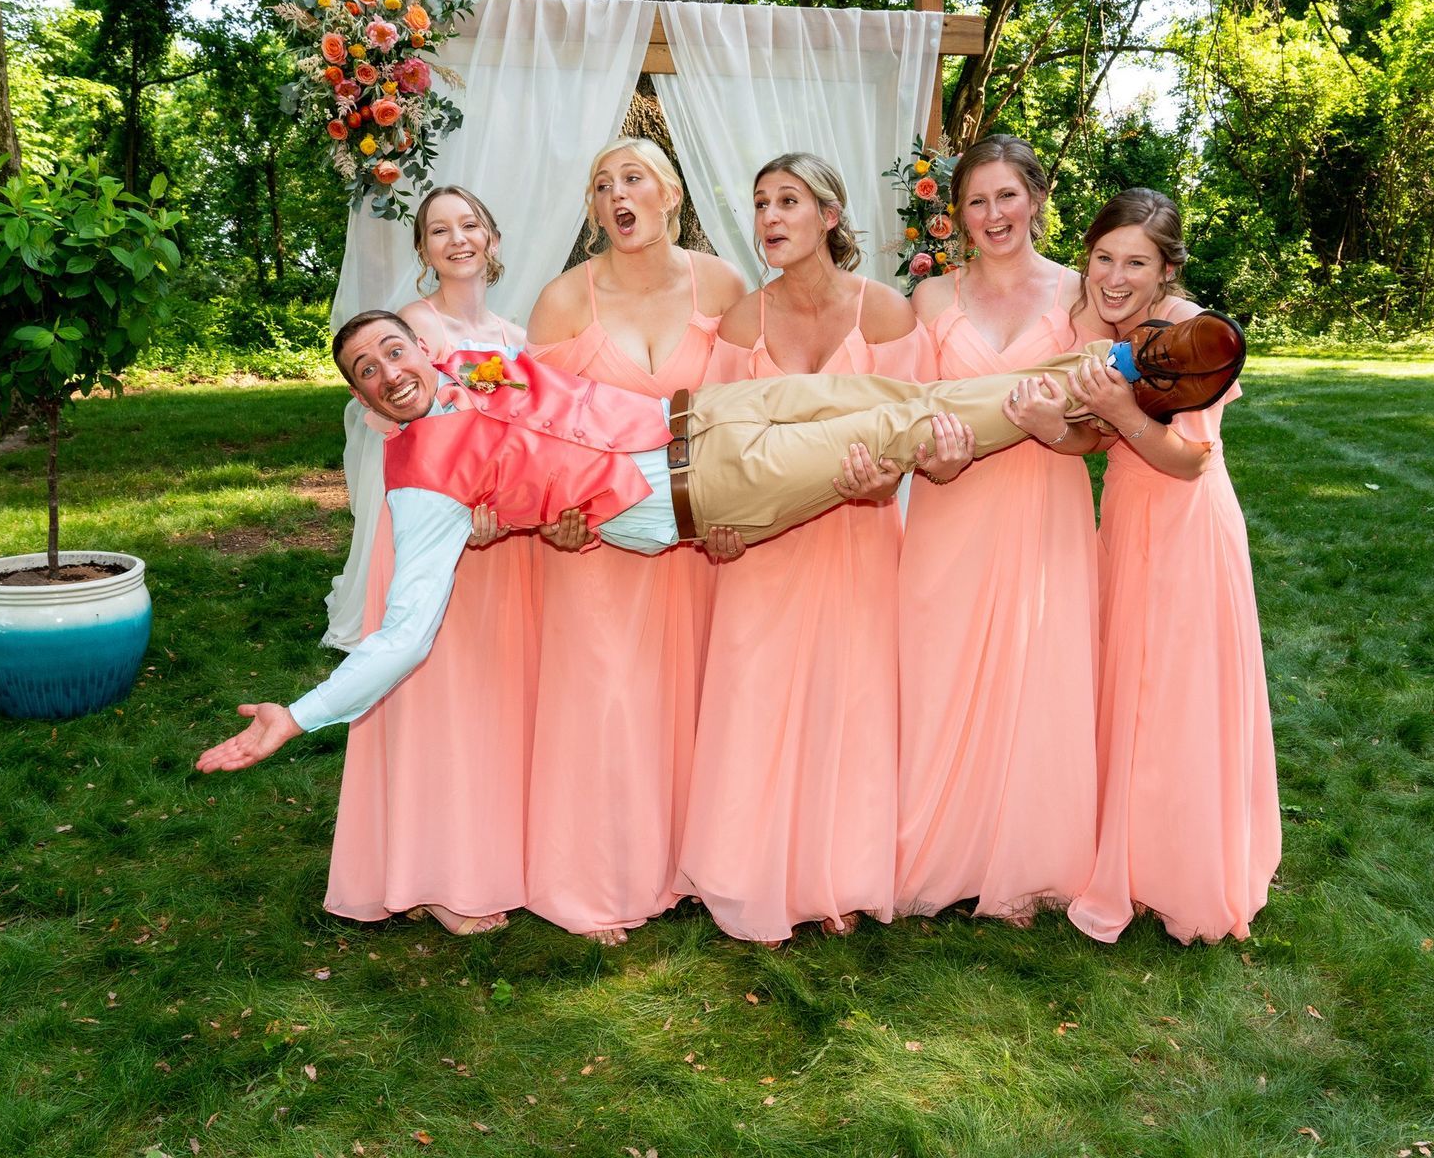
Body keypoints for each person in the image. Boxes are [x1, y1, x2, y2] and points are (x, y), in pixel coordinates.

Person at [194, 310, 1109, 822]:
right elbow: (405, 631)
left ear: (418, 347)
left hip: (706, 411)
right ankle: (1111, 384)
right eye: (365, 371)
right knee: (900, 433)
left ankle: (1101, 372)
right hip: (700, 487)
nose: (388, 370)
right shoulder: (420, 484)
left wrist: (526, 515)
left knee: (903, 396)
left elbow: (552, 410)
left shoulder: (477, 364)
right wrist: (300, 714)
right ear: (365, 401)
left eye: (392, 349)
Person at [680, 152, 939, 944]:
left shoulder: (887, 315)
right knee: (754, 700)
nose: (770, 219)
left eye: (788, 201)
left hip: (861, 535)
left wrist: (881, 483)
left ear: (830, 216)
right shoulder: (740, 325)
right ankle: (743, 871)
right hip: (762, 549)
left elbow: (919, 424)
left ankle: (846, 876)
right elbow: (713, 442)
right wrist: (720, 524)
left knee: (852, 699)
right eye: (760, 203)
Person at [508, 138, 746, 945]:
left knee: (693, 699)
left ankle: (691, 865)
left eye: (632, 178)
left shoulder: (720, 285)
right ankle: (599, 880)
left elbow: (748, 408)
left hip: (696, 532)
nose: (617, 193)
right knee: (607, 702)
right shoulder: (563, 301)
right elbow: (535, 431)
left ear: (671, 194)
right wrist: (556, 514)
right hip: (597, 538)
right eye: (600, 183)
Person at [894, 135, 1108, 928]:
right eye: (976, 201)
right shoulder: (931, 302)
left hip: (1046, 500)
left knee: (1038, 669)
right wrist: (935, 463)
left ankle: (1029, 860)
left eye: (1007, 197)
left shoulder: (1081, 295)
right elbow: (909, 417)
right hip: (954, 503)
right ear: (955, 216)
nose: (993, 215)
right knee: (940, 667)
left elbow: (1102, 431)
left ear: (1037, 200)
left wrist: (1059, 431)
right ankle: (939, 853)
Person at [1063, 188, 1281, 944]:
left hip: (1187, 524)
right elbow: (1095, 442)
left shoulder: (1193, 336)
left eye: (1136, 262)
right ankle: (1131, 855)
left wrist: (1121, 412)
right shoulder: (1099, 328)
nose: (1115, 276)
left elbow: (1188, 458)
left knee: (1180, 694)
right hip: (1128, 515)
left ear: (1165, 271)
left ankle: (1185, 870)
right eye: (1103, 257)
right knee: (1130, 687)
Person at [322, 187, 534, 934]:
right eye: (438, 230)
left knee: (481, 702)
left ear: (493, 236)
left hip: (492, 537)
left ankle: (481, 856)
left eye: (470, 224)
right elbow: (390, 427)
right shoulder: (410, 330)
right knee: (429, 702)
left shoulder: (512, 334)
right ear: (421, 251)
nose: (457, 239)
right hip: (425, 535)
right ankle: (430, 876)